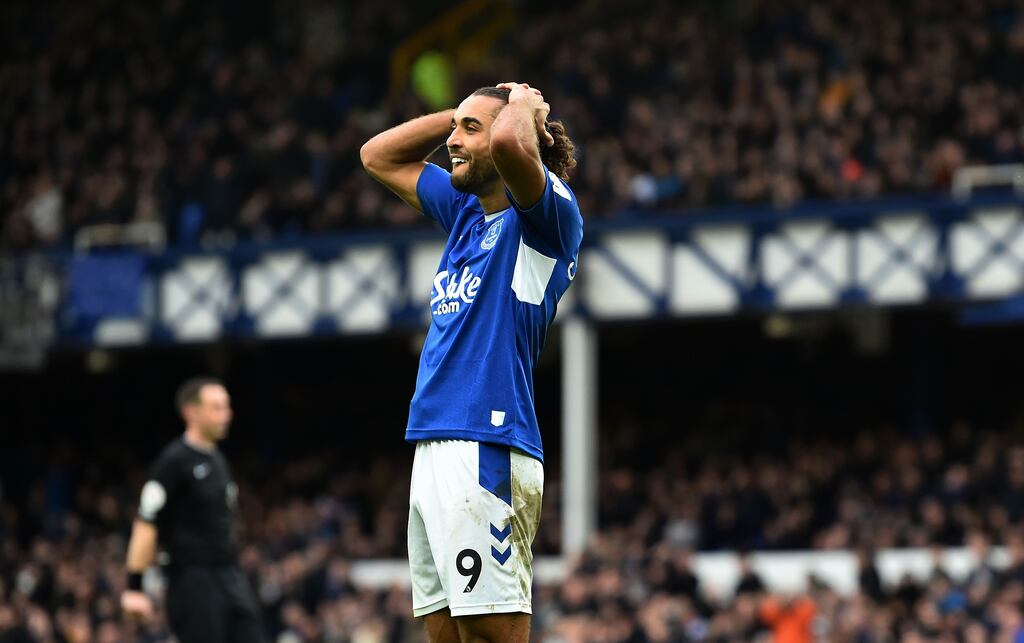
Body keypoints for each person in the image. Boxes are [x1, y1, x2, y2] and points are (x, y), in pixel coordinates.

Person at [361, 82, 582, 642]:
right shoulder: (466, 212)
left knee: (490, 632)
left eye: (469, 131)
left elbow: (510, 142)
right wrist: (463, 116)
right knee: (443, 634)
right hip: (433, 442)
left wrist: (523, 110)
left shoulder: (546, 216)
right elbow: (376, 154)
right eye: (454, 129)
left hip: (486, 441)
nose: (452, 142)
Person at [120, 377, 266, 643]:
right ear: (191, 412)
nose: (226, 414)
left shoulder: (218, 459)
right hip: (192, 580)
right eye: (216, 407)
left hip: (228, 574)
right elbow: (146, 523)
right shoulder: (173, 462)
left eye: (227, 407)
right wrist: (134, 587)